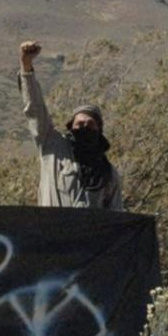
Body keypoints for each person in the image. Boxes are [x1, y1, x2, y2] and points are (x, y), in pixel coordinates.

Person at [18, 40, 123, 210]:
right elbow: (35, 109)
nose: (84, 127)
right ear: (71, 126)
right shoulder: (53, 146)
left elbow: (116, 216)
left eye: (90, 124)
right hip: (52, 233)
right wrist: (26, 65)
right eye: (79, 123)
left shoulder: (108, 173)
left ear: (99, 129)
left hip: (88, 236)